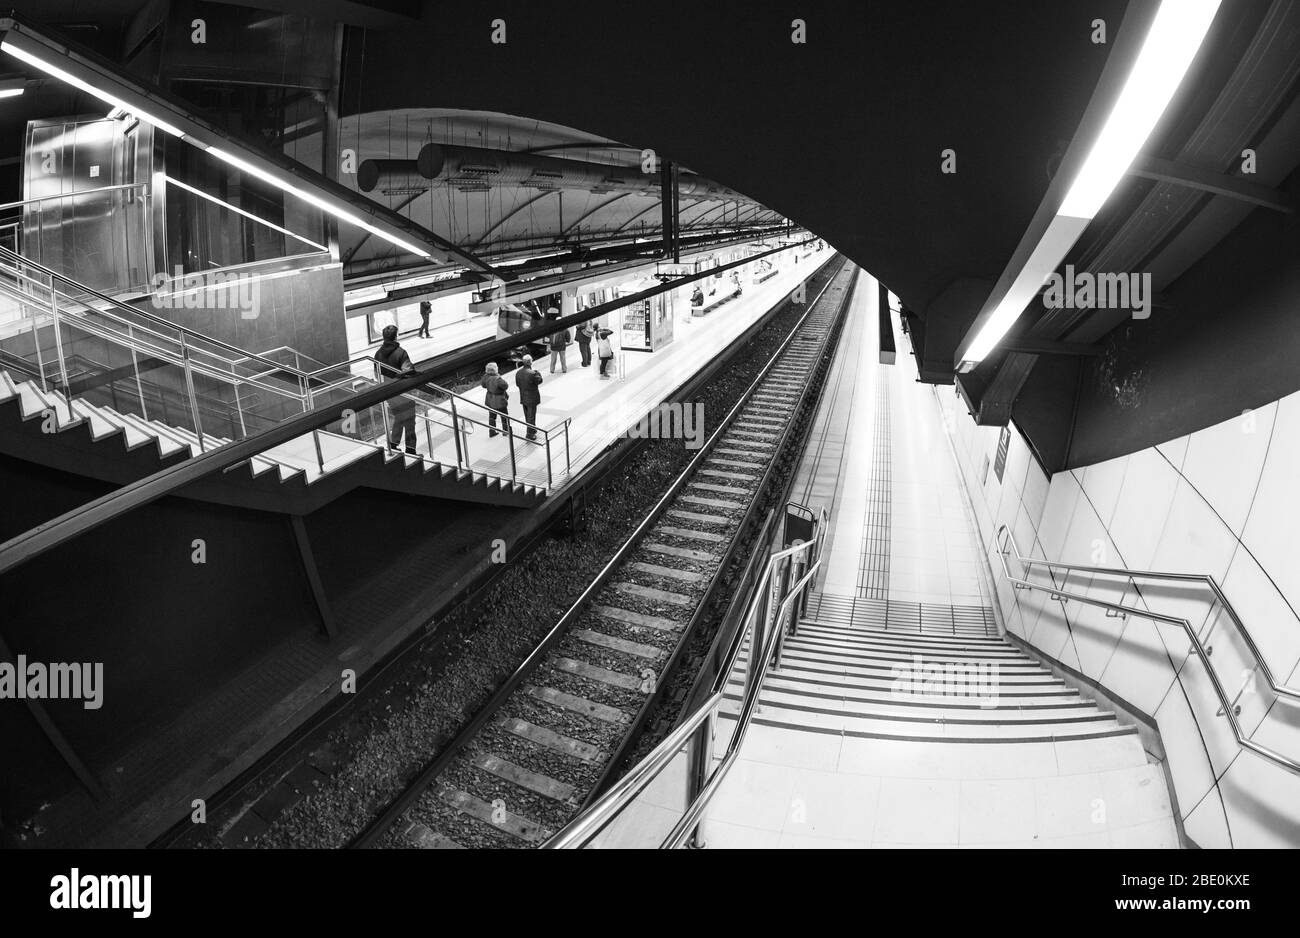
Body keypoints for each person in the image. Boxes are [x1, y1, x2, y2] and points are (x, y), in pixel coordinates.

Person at [374, 324, 417, 454]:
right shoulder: (401, 353)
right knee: (409, 416)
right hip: (401, 391)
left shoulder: (377, 354)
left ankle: (393, 443)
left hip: (388, 392)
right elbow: (408, 370)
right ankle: (410, 448)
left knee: (399, 415)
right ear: (396, 337)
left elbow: (377, 375)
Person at [515, 354, 544, 440]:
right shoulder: (533, 373)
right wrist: (538, 374)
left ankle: (532, 429)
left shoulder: (518, 372)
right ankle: (529, 434)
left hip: (523, 397)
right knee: (531, 416)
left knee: (527, 415)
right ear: (530, 362)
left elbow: (517, 384)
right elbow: (540, 381)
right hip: (532, 398)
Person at [480, 362, 511, 437]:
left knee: (492, 417)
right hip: (499, 400)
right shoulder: (498, 378)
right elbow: (505, 386)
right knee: (504, 416)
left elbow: (483, 385)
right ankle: (506, 431)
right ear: (495, 369)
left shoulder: (485, 377)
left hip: (490, 399)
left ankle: (492, 431)